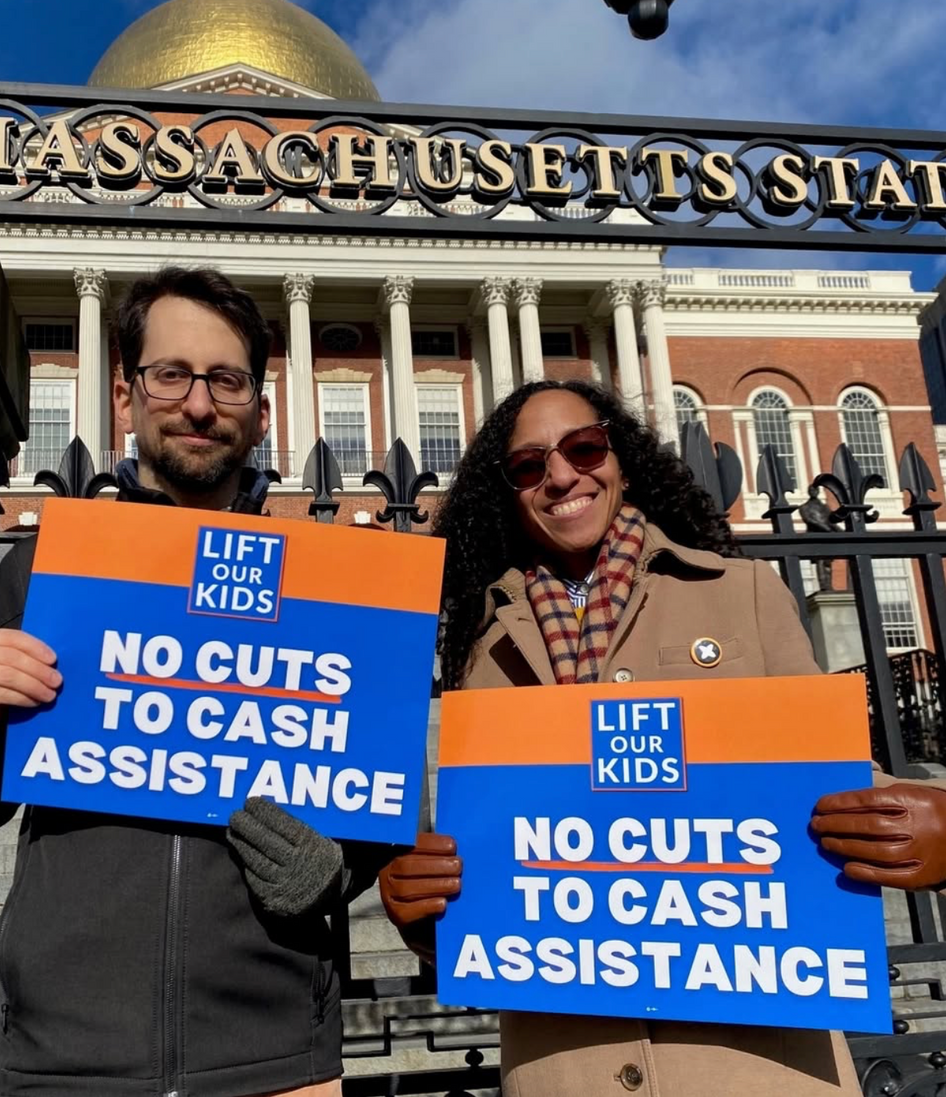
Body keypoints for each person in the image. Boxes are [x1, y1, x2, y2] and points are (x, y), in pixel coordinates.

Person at [378, 379, 946, 1097]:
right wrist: (423, 914)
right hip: (566, 1067)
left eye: (583, 448)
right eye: (528, 466)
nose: (560, 476)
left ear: (620, 457)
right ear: (510, 491)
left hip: (756, 1064)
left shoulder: (742, 592)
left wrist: (935, 822)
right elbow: (482, 873)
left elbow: (829, 780)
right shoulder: (481, 649)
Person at [0, 266, 385, 1097]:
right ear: (129, 400)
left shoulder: (338, 589)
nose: (199, 404)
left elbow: (375, 803)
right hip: (61, 1061)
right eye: (170, 374)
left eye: (227, 379)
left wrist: (339, 869)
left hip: (274, 1057)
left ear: (261, 411)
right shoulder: (49, 568)